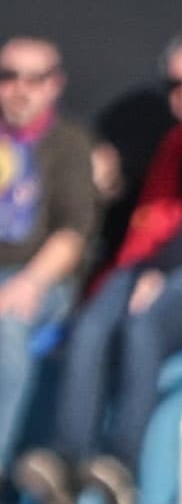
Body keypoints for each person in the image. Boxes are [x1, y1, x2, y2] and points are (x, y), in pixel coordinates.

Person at [38, 36, 182, 504]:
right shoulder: (166, 139)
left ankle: (120, 464)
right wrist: (111, 178)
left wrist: (160, 271)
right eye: (177, 85)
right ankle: (66, 461)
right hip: (146, 264)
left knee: (142, 323)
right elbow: (130, 210)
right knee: (91, 324)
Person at [0, 38, 100, 462]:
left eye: (34, 78)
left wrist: (29, 283)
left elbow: (73, 234)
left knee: (5, 330)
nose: (20, 88)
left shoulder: (69, 142)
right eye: (8, 76)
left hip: (40, 278)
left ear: (54, 85)